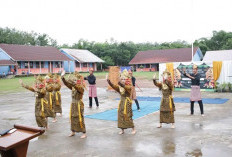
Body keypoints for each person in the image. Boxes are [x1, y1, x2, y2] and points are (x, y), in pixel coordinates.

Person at [107, 69, 136, 135]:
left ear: (126, 79)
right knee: (120, 115)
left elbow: (127, 88)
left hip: (127, 103)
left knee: (128, 115)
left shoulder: (129, 86)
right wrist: (109, 82)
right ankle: (122, 129)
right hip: (121, 103)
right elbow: (115, 87)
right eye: (121, 79)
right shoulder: (120, 87)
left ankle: (133, 128)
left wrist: (121, 84)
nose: (122, 80)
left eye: (124, 79)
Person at [61, 71, 87, 138]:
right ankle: (73, 131)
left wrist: (73, 83)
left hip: (78, 104)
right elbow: (67, 84)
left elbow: (76, 86)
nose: (75, 81)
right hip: (73, 104)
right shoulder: (73, 87)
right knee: (72, 117)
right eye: (75, 80)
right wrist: (63, 78)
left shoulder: (81, 88)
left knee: (80, 117)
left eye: (76, 80)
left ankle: (84, 132)